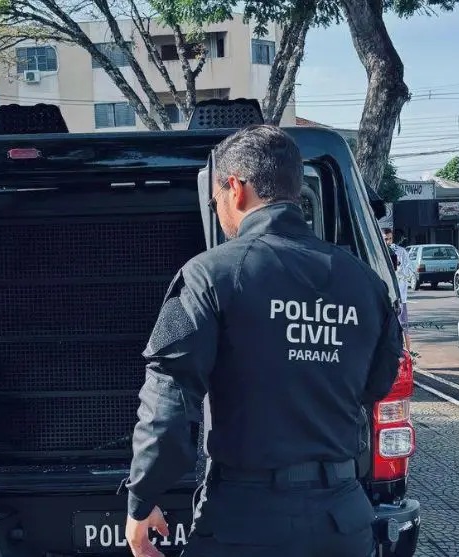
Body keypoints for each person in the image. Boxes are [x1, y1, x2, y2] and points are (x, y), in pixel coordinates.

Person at [123, 125, 402, 557]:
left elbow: (169, 405)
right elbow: (378, 383)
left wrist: (142, 498)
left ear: (235, 188)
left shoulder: (209, 275)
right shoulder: (366, 283)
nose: (218, 211)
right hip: (343, 522)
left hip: (246, 521)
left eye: (215, 200)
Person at [383, 228, 414, 351]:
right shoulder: (378, 252)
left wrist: (399, 268)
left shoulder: (401, 252)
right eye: (385, 239)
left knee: (404, 326)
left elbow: (410, 271)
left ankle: (409, 355)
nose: (388, 242)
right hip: (384, 296)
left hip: (400, 296)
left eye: (390, 239)